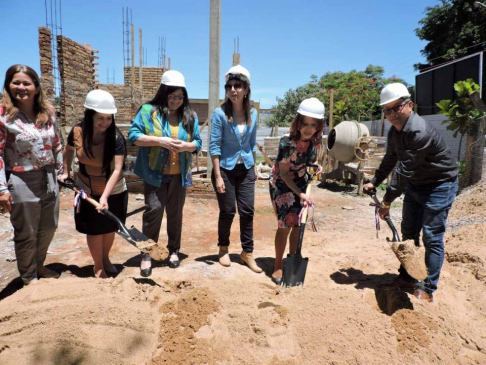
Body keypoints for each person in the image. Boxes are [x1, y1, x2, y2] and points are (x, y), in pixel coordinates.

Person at [363, 82, 458, 303]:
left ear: (409, 105)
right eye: (387, 110)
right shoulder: (395, 132)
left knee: (432, 237)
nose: (392, 113)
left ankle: (427, 287)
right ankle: (407, 277)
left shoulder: (419, 131)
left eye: (397, 107)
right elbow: (390, 159)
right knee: (408, 234)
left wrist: (386, 201)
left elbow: (404, 171)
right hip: (417, 183)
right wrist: (374, 181)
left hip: (439, 185)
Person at [128, 70, 201, 277]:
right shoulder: (147, 111)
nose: (176, 101)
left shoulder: (190, 116)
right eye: (172, 96)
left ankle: (173, 250)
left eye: (180, 96)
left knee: (175, 214)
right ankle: (147, 253)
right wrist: (161, 141)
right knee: (153, 211)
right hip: (155, 174)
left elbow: (197, 143)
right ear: (163, 93)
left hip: (179, 175)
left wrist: (186, 146)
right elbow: (133, 136)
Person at [0, 64, 62, 285]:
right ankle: (28, 276)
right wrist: (2, 188)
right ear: (8, 85)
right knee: (27, 230)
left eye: (26, 83)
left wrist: (61, 173)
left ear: (36, 86)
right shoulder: (3, 115)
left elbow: (57, 144)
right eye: (16, 82)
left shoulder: (48, 112)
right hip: (21, 178)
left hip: (48, 176)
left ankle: (39, 265)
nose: (21, 87)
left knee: (49, 226)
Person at [59, 90, 127, 279]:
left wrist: (104, 196)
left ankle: (105, 259)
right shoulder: (78, 132)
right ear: (89, 115)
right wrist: (66, 171)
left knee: (110, 227)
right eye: (100, 118)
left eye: (108, 118)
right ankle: (98, 266)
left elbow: (117, 170)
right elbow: (69, 149)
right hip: (86, 188)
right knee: (95, 228)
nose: (105, 123)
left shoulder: (116, 138)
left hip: (114, 189)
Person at [209, 65, 261, 273]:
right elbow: (213, 146)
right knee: (228, 211)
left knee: (247, 211)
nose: (233, 90)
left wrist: (255, 166)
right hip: (225, 170)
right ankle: (223, 249)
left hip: (246, 168)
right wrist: (218, 176)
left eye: (238, 86)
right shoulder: (220, 114)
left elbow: (252, 142)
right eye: (229, 86)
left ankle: (247, 253)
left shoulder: (253, 113)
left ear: (246, 89)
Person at [268, 98, 324, 285]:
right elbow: (283, 172)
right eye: (305, 123)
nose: (308, 128)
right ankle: (277, 264)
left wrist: (316, 166)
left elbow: (308, 162)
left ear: (318, 126)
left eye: (313, 124)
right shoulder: (286, 142)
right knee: (286, 224)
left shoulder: (316, 143)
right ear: (298, 122)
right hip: (282, 183)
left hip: (301, 183)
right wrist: (299, 194)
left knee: (299, 224)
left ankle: (292, 258)